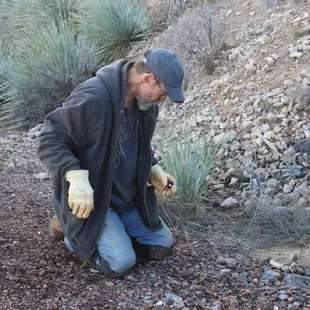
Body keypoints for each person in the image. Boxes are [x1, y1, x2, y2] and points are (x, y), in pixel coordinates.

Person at [37, 48, 185, 277]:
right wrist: (75, 177)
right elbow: (50, 138)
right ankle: (70, 229)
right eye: (163, 92)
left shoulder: (144, 105)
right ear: (148, 79)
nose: (163, 99)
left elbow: (138, 145)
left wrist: (154, 169)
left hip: (126, 199)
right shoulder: (95, 97)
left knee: (162, 246)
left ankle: (107, 233)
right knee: (121, 263)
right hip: (96, 200)